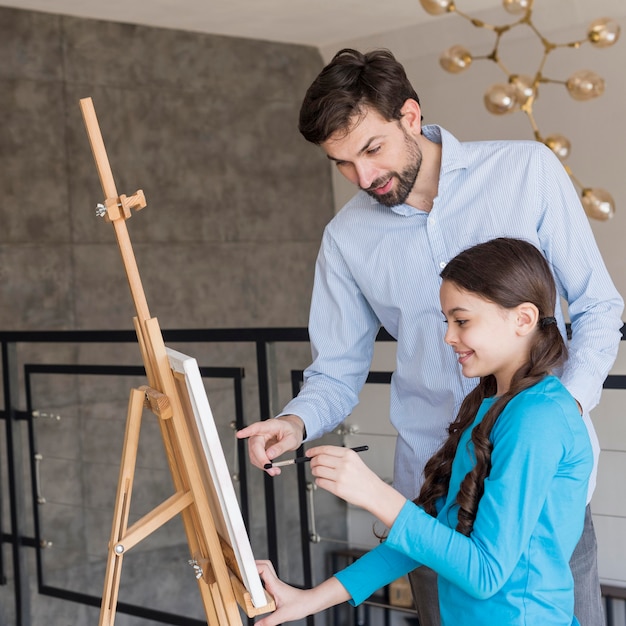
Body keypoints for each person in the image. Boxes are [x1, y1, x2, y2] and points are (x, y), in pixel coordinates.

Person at [236, 48, 623, 626]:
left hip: (536, 476)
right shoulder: (346, 239)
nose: (363, 178)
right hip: (433, 485)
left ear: (410, 116)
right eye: (341, 163)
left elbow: (598, 303)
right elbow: (337, 369)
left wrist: (551, 412)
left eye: (371, 149)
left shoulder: (527, 171)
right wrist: (294, 423)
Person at [254, 237, 594, 626]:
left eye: (461, 321)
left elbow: (485, 573)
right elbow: (427, 534)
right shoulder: (493, 405)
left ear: (523, 319)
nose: (448, 336)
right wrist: (308, 600)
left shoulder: (539, 418)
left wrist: (376, 495)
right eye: (447, 321)